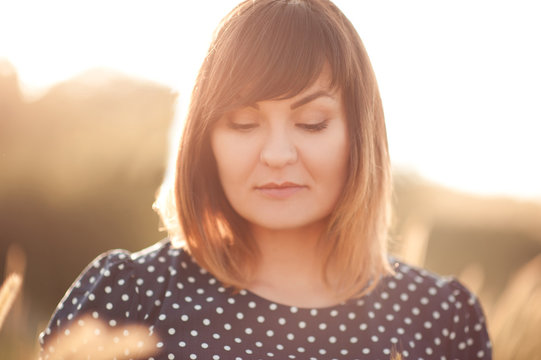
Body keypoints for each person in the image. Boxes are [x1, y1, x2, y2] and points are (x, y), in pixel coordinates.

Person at [39, 0, 492, 359]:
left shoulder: (443, 316)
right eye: (242, 123)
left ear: (360, 133)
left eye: (312, 122)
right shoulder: (129, 293)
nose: (277, 155)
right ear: (205, 139)